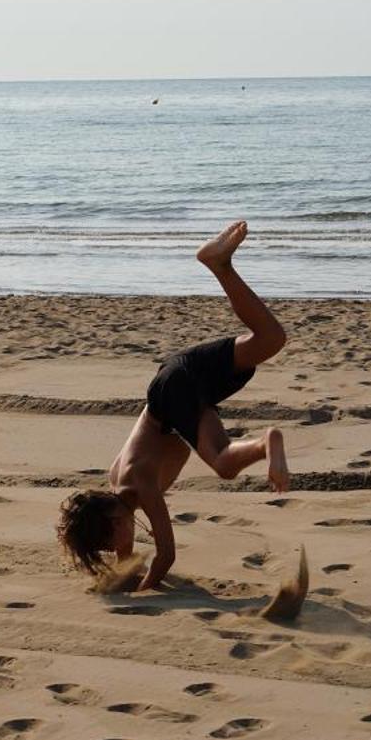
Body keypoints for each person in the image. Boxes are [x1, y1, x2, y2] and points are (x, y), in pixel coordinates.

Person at [57, 221, 290, 592]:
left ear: (114, 519)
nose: (116, 549)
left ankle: (268, 443)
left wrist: (144, 592)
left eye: (109, 541)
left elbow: (165, 555)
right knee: (271, 338)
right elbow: (128, 556)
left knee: (224, 464)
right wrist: (121, 575)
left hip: (172, 396)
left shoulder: (139, 485)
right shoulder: (121, 489)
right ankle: (220, 265)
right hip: (179, 378)